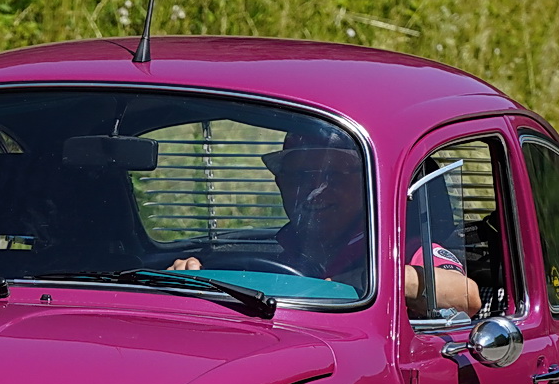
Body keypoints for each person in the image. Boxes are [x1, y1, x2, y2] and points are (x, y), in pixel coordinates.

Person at [168, 121, 479, 316]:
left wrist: (363, 281)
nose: (314, 192)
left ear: (365, 186)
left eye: (334, 176)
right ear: (280, 183)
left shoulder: (401, 249)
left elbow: (466, 296)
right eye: (300, 176)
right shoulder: (283, 246)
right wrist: (189, 278)